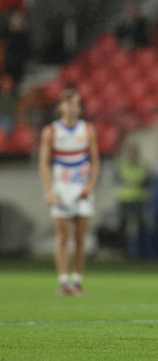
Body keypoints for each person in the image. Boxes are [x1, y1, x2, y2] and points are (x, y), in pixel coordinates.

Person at [38, 89, 100, 296]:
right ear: (61, 107)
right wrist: (48, 190)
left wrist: (91, 184)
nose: (75, 107)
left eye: (77, 104)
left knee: (81, 238)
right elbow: (44, 164)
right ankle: (63, 281)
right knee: (63, 236)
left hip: (82, 188)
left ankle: (78, 281)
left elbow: (95, 160)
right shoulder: (51, 131)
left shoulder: (87, 129)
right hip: (62, 189)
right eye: (71, 103)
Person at [116, 144, 150, 258]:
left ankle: (142, 252)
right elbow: (117, 179)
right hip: (125, 199)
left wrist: (136, 181)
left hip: (139, 199)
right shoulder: (122, 165)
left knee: (141, 226)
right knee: (123, 226)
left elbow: (148, 180)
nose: (133, 156)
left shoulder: (143, 165)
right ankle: (123, 252)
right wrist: (135, 181)